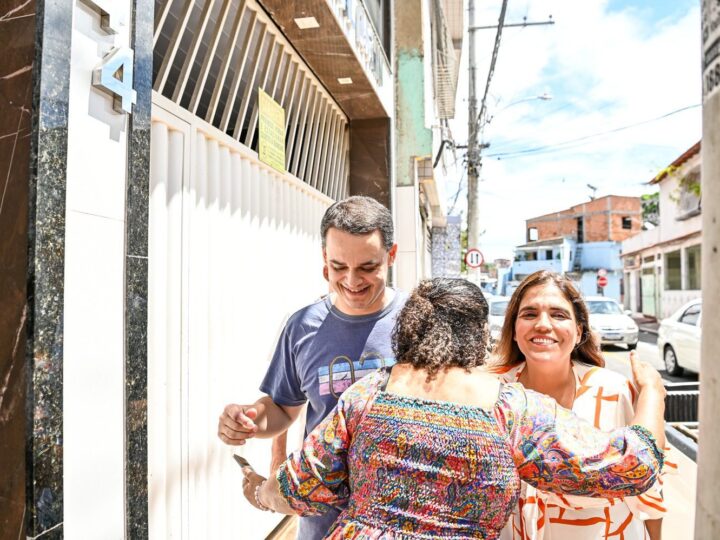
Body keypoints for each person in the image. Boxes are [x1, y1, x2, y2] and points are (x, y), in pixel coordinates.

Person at [244, 278, 667, 539]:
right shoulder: (511, 407)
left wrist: (260, 494)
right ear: (479, 333)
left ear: (407, 329)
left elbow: (299, 487)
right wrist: (652, 394)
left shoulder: (367, 394)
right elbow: (632, 468)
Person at [217, 195, 406, 539]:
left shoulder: (417, 321)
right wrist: (248, 420)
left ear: (391, 255)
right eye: (338, 267)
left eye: (367, 267)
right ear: (324, 259)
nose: (352, 280)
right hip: (322, 525)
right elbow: (281, 409)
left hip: (401, 523)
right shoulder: (302, 326)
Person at [492, 270, 669, 540]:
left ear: (578, 333)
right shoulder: (491, 395)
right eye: (529, 314)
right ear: (514, 332)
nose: (542, 324)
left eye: (558, 315)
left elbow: (650, 485)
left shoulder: (614, 391)